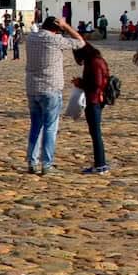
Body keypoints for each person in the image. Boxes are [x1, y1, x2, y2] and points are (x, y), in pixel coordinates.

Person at [24, 17, 88, 175]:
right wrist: (66, 26)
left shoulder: (30, 38)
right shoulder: (55, 39)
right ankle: (47, 163)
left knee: (35, 126)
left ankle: (32, 162)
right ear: (56, 29)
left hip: (32, 88)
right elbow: (81, 42)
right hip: (51, 88)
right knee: (50, 128)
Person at [74, 44, 111, 174]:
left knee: (95, 133)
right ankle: (100, 162)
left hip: (94, 100)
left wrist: (81, 83)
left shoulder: (94, 62)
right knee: (95, 133)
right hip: (95, 99)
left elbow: (97, 83)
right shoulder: (97, 60)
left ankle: (100, 164)